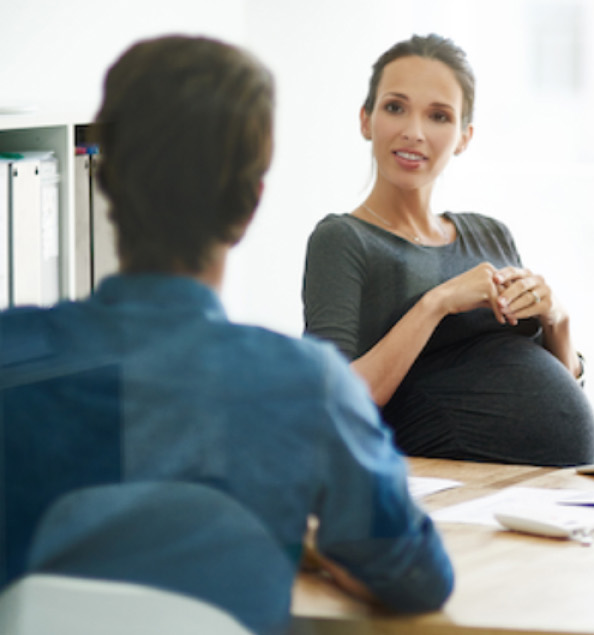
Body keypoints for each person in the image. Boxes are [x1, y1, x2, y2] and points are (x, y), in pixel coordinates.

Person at [0, 36, 452, 633]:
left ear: (103, 180)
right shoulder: (307, 388)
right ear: (251, 203)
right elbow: (417, 577)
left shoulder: (13, 359)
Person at [303, 34, 594, 466]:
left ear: (463, 136)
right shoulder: (344, 240)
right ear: (366, 120)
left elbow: (564, 384)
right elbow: (333, 404)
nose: (414, 132)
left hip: (552, 492)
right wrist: (437, 304)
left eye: (438, 116)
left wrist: (557, 317)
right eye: (395, 107)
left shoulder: (491, 235)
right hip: (448, 492)